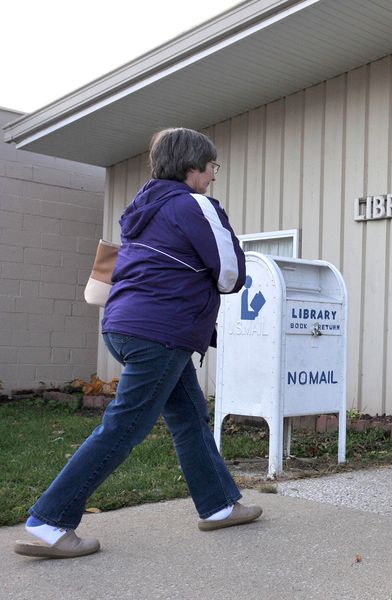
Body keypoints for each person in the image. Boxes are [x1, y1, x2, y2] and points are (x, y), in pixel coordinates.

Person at [14, 128, 262, 559]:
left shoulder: (143, 207)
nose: (213, 176)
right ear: (192, 167)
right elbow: (230, 274)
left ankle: (220, 506)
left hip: (124, 325)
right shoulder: (194, 204)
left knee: (189, 417)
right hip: (160, 332)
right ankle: (51, 521)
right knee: (124, 426)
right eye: (211, 168)